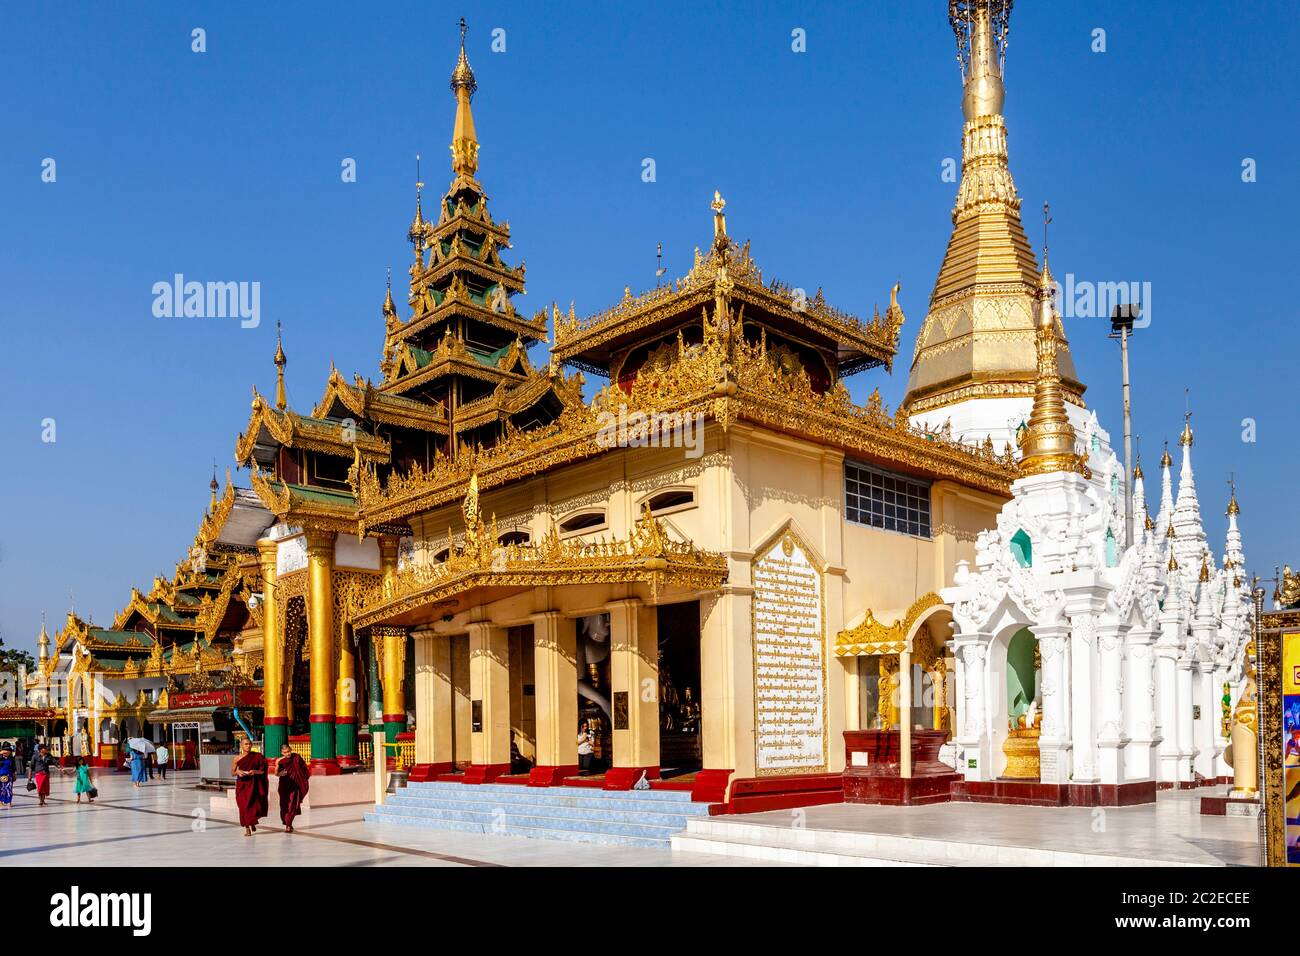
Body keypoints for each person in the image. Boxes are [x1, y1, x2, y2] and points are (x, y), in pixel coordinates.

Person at [232, 738, 268, 836]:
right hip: (242, 785)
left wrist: (255, 771)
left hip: (254, 784)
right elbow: (232, 772)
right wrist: (238, 772)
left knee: (253, 806)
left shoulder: (257, 756)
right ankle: (247, 827)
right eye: (246, 744)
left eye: (249, 744)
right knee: (243, 806)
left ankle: (252, 822)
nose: (248, 746)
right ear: (241, 746)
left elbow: (263, 771)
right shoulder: (237, 758)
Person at [275, 743, 310, 832]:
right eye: (285, 752)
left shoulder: (296, 757)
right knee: (285, 805)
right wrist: (280, 773)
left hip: (295, 785)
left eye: (289, 751)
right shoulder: (280, 761)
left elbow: (304, 768)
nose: (288, 754)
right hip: (284, 785)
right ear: (282, 752)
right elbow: (276, 774)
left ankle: (288, 825)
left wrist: (303, 777)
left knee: (292, 805)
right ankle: (288, 823)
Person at [0, 744, 15, 809]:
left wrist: (15, 775)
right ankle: (0, 802)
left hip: (9, 775)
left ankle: (9, 802)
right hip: (0, 775)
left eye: (8, 752)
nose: (6, 753)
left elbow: (14, 768)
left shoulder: (11, 759)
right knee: (1, 789)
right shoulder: (0, 758)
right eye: (5, 751)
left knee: (9, 789)